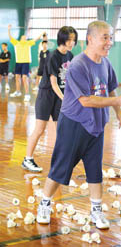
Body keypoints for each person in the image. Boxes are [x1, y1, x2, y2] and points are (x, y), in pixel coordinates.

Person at [36, 20, 121, 229]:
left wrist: (120, 113)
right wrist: (117, 102)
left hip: (96, 126)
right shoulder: (78, 65)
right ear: (90, 39)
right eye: (105, 37)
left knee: (95, 170)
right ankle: (44, 204)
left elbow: (111, 88)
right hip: (74, 124)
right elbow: (86, 100)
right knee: (60, 169)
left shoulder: (106, 64)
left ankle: (96, 211)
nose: (109, 42)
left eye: (111, 38)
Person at [21, 26, 78, 173]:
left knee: (61, 130)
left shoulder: (70, 56)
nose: (72, 42)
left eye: (74, 39)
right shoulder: (53, 56)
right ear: (62, 39)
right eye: (69, 39)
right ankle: (27, 159)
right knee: (40, 129)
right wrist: (65, 99)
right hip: (46, 95)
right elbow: (53, 83)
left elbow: (68, 79)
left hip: (60, 97)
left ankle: (60, 161)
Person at [8, 24, 43, 102]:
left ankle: (27, 95)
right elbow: (10, 37)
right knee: (17, 77)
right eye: (23, 37)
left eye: (25, 37)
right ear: (21, 39)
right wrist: (9, 29)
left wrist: (40, 34)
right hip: (18, 62)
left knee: (24, 78)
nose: (24, 37)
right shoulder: (16, 43)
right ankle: (17, 92)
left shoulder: (28, 43)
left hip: (25, 63)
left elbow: (36, 39)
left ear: (26, 39)